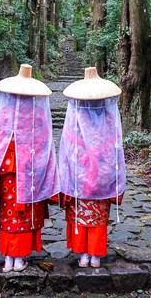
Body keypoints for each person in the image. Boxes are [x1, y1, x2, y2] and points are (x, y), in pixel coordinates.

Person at [0, 64, 60, 272]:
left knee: (10, 212)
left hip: (7, 169)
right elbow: (44, 144)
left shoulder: (5, 111)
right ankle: (19, 256)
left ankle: (9, 258)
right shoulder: (38, 114)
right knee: (26, 213)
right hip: (32, 170)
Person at [58, 67, 126, 268]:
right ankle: (95, 255)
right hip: (102, 172)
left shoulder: (76, 117)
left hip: (79, 171)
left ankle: (84, 255)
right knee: (97, 214)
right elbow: (114, 144)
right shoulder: (109, 117)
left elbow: (69, 145)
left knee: (81, 212)